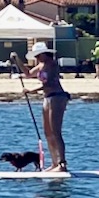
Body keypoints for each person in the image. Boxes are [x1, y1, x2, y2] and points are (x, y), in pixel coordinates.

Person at [12, 42, 70, 172]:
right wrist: (17, 60)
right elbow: (28, 74)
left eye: (38, 55)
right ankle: (54, 163)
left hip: (57, 97)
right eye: (35, 56)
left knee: (56, 132)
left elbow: (48, 84)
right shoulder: (40, 65)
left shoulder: (52, 65)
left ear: (44, 53)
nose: (37, 58)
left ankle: (62, 164)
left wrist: (31, 91)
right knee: (48, 133)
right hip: (47, 98)